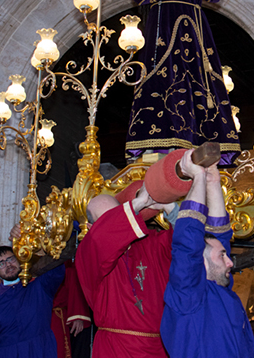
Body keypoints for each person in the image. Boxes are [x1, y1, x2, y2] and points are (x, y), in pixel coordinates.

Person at [125, 0, 240, 165]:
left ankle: (199, 139)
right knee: (164, 76)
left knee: (199, 80)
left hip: (196, 32)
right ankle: (163, 141)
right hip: (164, 28)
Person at [75, 148, 191, 358]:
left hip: (159, 347)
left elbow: (185, 246)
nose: (115, 222)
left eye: (117, 214)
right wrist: (139, 203)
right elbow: (102, 239)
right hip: (115, 348)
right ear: (93, 228)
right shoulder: (89, 253)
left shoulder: (148, 243)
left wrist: (170, 208)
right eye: (106, 220)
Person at [160, 150, 254, 357]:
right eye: (222, 256)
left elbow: (220, 236)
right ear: (200, 262)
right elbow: (188, 240)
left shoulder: (222, 292)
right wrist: (198, 178)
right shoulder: (188, 294)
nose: (230, 262)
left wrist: (213, 181)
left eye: (225, 256)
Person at [0, 246, 65, 358]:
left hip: (40, 351)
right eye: (1, 264)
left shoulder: (40, 287)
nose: (8, 265)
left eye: (11, 259)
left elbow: (57, 264)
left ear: (19, 259)